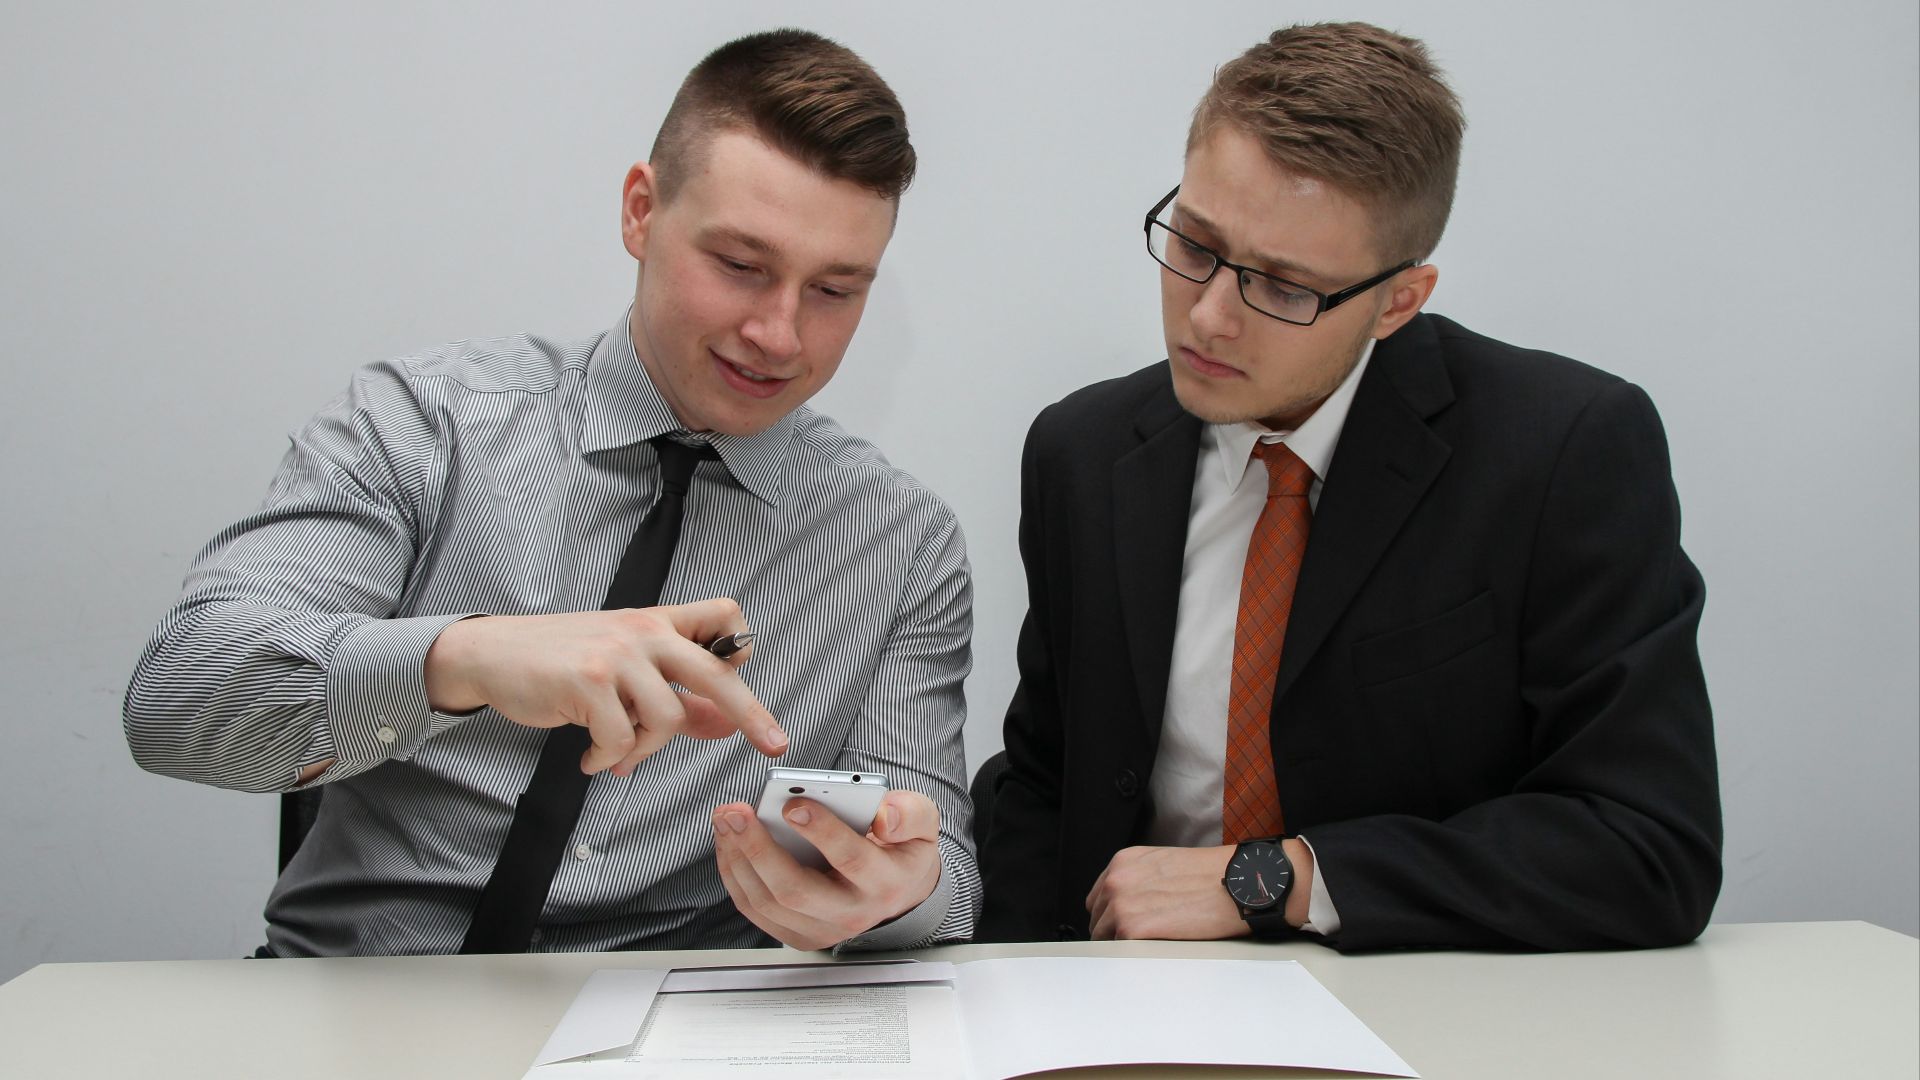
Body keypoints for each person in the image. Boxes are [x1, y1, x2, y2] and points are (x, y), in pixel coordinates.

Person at [125, 29, 978, 956]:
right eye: (740, 266)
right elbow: (177, 703)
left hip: (676, 1029)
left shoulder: (900, 542)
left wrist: (897, 893)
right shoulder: (426, 424)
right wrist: (464, 661)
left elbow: (943, 874)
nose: (779, 333)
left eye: (835, 290)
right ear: (641, 212)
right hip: (360, 1002)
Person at [977, 22, 1721, 951]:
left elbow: (1650, 844)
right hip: (1127, 999)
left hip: (1421, 1009)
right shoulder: (1080, 454)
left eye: (1283, 289)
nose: (1207, 316)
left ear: (1399, 302)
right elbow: (1046, 783)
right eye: (1196, 245)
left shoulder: (1562, 452)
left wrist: (1274, 881)